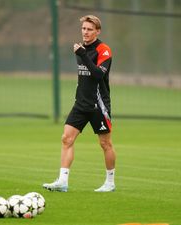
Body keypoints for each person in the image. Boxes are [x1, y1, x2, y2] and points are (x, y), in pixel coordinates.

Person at [43, 15, 116, 192]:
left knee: (105, 144)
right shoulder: (81, 49)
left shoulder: (103, 50)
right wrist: (82, 53)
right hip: (81, 104)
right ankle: (62, 181)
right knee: (66, 138)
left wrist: (82, 54)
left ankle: (110, 182)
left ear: (97, 31)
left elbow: (98, 75)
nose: (85, 32)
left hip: (98, 105)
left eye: (89, 29)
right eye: (83, 28)